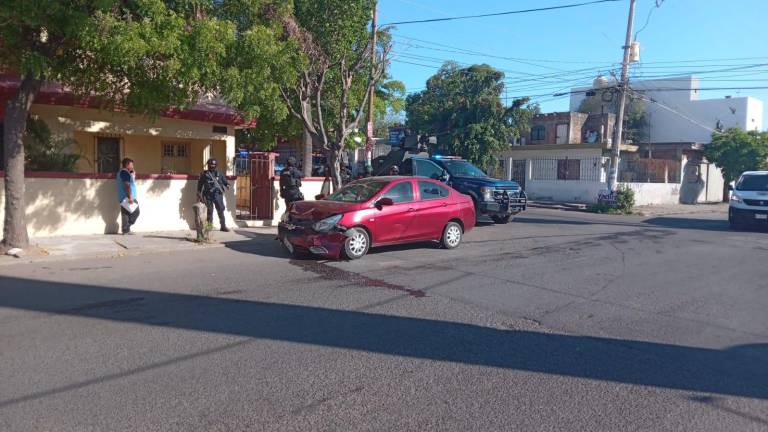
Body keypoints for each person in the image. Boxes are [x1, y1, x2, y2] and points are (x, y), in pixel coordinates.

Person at [197, 158, 231, 232]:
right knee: (209, 212)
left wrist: (227, 185)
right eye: (210, 164)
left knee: (220, 211)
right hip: (208, 195)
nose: (212, 166)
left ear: (216, 165)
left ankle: (223, 226)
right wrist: (199, 195)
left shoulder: (220, 174)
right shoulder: (204, 174)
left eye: (213, 164)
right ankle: (209, 227)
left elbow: (225, 182)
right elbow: (200, 185)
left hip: (218, 195)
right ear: (208, 165)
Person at [117, 158, 140, 235]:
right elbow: (127, 185)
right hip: (127, 197)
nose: (133, 166)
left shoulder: (121, 172)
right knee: (136, 212)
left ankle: (126, 230)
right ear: (127, 165)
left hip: (122, 197)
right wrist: (130, 197)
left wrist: (132, 174)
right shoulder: (125, 173)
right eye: (131, 164)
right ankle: (126, 228)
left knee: (125, 214)